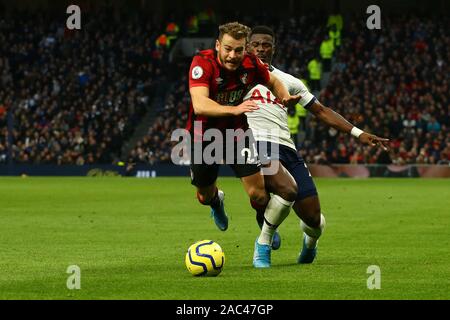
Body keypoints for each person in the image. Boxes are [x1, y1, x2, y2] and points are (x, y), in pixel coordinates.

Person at [244, 25, 389, 267]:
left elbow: (320, 111)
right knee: (286, 191)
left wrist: (358, 132)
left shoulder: (288, 81)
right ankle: (263, 243)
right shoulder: (236, 78)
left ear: (274, 48)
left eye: (266, 44)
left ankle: (309, 244)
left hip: (287, 147)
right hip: (257, 142)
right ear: (248, 47)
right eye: (256, 44)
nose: (261, 49)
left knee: (313, 219)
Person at [186, 22, 301, 266]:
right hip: (203, 135)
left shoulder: (251, 63)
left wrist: (283, 96)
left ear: (244, 49)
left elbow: (272, 81)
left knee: (259, 194)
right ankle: (216, 201)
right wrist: (234, 108)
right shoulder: (202, 63)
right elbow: (200, 104)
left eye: (238, 50)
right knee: (204, 194)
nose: (232, 55)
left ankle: (263, 219)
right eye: (228, 49)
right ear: (218, 45)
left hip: (237, 133)